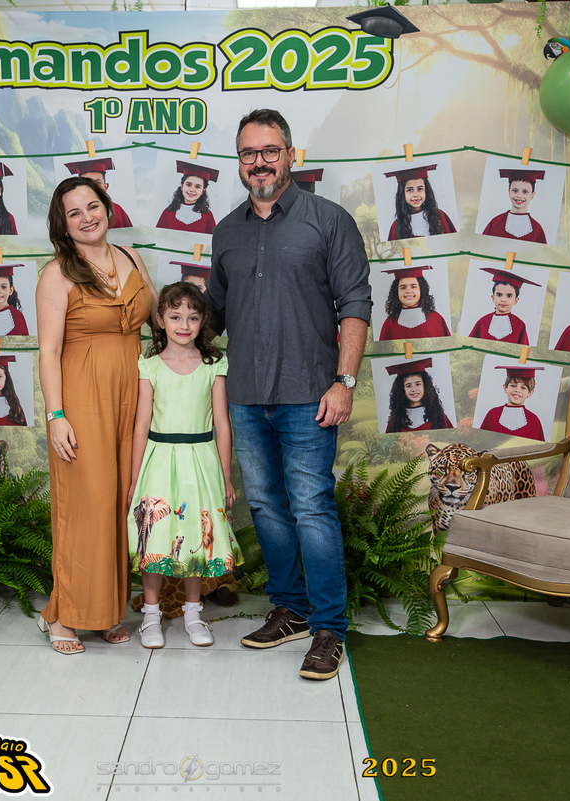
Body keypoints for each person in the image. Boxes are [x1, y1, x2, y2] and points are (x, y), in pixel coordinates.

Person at [208, 109, 371, 681]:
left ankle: (329, 628)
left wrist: (344, 382)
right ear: (239, 161)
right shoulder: (225, 231)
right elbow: (215, 315)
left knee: (310, 507)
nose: (259, 162)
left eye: (269, 151)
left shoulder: (329, 221)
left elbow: (355, 304)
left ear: (290, 156)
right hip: (246, 395)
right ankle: (291, 610)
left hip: (310, 395)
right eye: (248, 153)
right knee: (265, 507)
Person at [36, 175, 158, 654]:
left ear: (107, 208)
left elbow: (159, 319)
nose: (87, 217)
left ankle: (105, 610)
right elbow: (48, 352)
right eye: (74, 213)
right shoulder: (57, 274)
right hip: (83, 398)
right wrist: (56, 415)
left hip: (134, 395)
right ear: (63, 225)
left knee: (120, 503)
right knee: (86, 505)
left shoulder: (131, 258)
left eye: (93, 206)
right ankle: (65, 615)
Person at [127, 282, 240, 649]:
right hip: (159, 461)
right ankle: (151, 616)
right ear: (160, 320)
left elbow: (222, 423)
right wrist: (135, 478)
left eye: (193, 317)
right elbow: (141, 425)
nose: (184, 325)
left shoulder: (213, 364)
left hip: (200, 462)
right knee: (156, 536)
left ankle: (193, 613)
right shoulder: (149, 365)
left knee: (196, 536)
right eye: (175, 317)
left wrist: (225, 476)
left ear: (203, 320)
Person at [467, 267, 541, 346]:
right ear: (493, 298)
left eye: (509, 296)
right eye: (499, 295)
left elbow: (524, 350)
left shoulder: (520, 325)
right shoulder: (482, 322)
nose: (503, 300)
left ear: (516, 300)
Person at [383, 164, 457, 240]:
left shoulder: (440, 216)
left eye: (420, 189)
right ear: (402, 194)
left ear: (426, 191)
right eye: (410, 190)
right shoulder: (396, 226)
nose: (416, 194)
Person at [378, 266, 451, 340]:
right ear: (396, 292)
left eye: (413, 287)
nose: (408, 291)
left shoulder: (436, 319)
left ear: (421, 289)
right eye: (403, 287)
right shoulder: (390, 323)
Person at [383, 358, 453, 433]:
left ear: (425, 386)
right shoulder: (395, 420)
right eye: (408, 386)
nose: (413, 389)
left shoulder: (439, 417)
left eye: (418, 384)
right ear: (402, 389)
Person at [480, 365, 546, 440]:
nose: (517, 390)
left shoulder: (534, 420)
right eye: (513, 385)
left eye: (523, 388)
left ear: (530, 393)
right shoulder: (492, 414)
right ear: (505, 388)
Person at [481, 169, 547, 243]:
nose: (519, 196)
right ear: (509, 192)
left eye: (525, 192)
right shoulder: (495, 223)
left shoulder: (537, 229)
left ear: (532, 195)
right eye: (515, 191)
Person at [65, 158, 133, 228]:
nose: (92, 187)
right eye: (87, 183)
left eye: (97, 183)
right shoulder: (73, 213)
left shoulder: (117, 210)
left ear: (105, 187)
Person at [156, 160, 218, 234]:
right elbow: (157, 236)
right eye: (188, 185)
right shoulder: (168, 212)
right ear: (182, 186)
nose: (192, 190)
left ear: (203, 191)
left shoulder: (207, 216)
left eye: (197, 187)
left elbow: (214, 239)